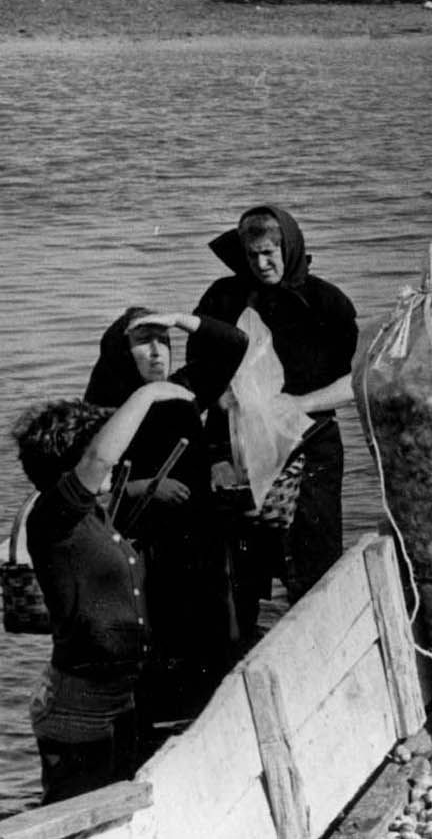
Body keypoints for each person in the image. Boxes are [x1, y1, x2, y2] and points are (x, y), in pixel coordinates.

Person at [14, 379, 197, 803]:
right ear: (67, 465)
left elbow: (106, 473)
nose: (115, 462)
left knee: (115, 807)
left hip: (117, 697)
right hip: (79, 708)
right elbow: (100, 458)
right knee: (78, 813)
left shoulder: (90, 516)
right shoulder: (53, 517)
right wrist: (147, 394)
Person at [82, 308, 250, 731]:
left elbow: (233, 343)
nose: (158, 352)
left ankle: (212, 722)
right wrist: (145, 487)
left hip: (198, 532)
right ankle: (161, 728)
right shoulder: (105, 404)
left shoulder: (185, 388)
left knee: (211, 629)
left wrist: (179, 318)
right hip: (142, 536)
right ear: (122, 353)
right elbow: (88, 482)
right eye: (144, 342)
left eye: (164, 341)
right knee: (158, 634)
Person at [194, 206, 358, 613]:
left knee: (312, 567)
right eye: (252, 256)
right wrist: (223, 399)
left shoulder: (326, 303)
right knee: (235, 575)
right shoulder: (223, 297)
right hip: (235, 444)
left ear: (291, 246)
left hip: (309, 444)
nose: (262, 264)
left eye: (270, 253)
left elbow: (355, 381)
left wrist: (298, 404)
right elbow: (200, 369)